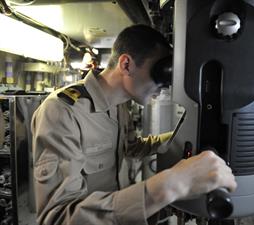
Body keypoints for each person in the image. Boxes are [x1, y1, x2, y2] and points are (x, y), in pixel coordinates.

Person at [31, 24, 237, 225]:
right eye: (160, 72)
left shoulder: (120, 107)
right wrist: (171, 185)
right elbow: (56, 217)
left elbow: (131, 147)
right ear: (126, 64)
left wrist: (180, 138)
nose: (164, 86)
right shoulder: (62, 112)